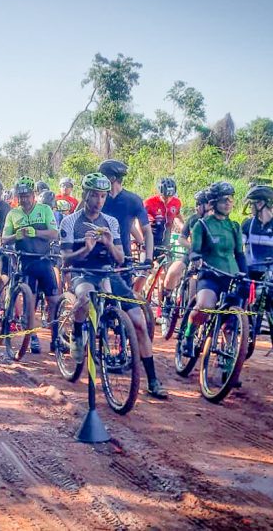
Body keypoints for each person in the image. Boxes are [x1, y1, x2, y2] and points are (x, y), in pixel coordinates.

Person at [98, 159, 166, 398]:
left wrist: (148, 258)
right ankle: (92, 347)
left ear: (112, 179)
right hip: (97, 265)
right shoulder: (96, 199)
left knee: (136, 321)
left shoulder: (132, 200)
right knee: (98, 312)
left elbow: (146, 231)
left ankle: (153, 380)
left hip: (123, 263)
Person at [59, 173, 123, 362]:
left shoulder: (111, 222)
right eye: (95, 195)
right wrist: (86, 250)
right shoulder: (69, 222)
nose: (99, 201)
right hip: (80, 272)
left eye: (103, 196)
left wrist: (110, 244)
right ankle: (77, 335)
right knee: (86, 300)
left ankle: (111, 345)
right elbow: (65, 260)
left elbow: (119, 259)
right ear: (85, 194)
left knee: (111, 303)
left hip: (104, 271)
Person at [182, 182, 247, 362]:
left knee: (231, 323)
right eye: (224, 200)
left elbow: (240, 255)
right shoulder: (201, 225)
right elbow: (194, 249)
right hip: (210, 274)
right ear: (213, 202)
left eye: (231, 199)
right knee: (204, 306)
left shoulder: (234, 227)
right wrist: (196, 258)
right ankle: (188, 335)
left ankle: (229, 360)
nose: (228, 203)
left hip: (232, 276)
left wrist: (245, 276)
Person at [2, 177, 60, 354]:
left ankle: (56, 338)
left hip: (44, 260)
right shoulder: (13, 214)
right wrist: (15, 236)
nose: (24, 199)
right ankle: (32, 337)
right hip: (25, 263)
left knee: (54, 301)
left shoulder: (45, 210)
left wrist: (37, 233)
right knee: (30, 303)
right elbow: (4, 239)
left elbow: (54, 234)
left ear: (33, 194)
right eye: (21, 196)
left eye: (27, 195)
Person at [161, 188, 211, 317]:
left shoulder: (217, 222)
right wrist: (193, 247)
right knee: (173, 272)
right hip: (191, 254)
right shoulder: (193, 219)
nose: (196, 207)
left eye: (199, 204)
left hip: (210, 258)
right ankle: (168, 301)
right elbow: (182, 238)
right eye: (196, 204)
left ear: (209, 205)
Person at [143, 177, 184, 248]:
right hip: (151, 234)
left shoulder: (176, 202)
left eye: (170, 196)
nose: (167, 199)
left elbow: (177, 216)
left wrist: (185, 230)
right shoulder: (149, 202)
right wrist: (141, 239)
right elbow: (139, 220)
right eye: (165, 197)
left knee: (167, 256)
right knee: (146, 258)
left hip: (166, 235)